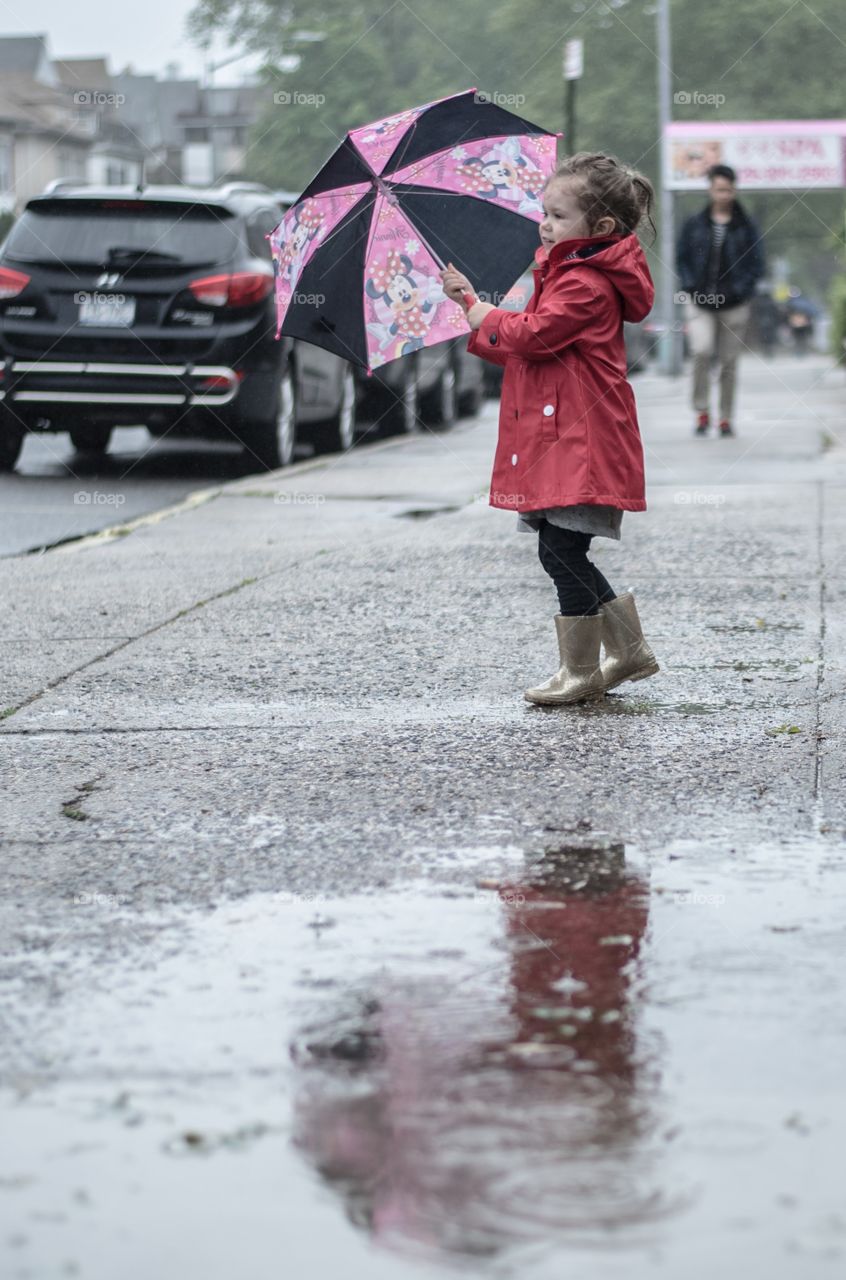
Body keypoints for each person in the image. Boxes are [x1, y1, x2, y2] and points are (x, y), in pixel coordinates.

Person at [440, 151, 659, 707]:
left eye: (559, 216)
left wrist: (486, 316)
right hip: (563, 439)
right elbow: (528, 350)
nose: (545, 224)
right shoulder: (565, 274)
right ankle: (626, 651)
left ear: (601, 227)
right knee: (560, 549)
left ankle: (582, 670)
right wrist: (472, 305)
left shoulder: (585, 282)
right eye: (545, 212)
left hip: (583, 441)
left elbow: (535, 335)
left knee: (561, 551)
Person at [676, 163, 765, 437]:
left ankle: (725, 417)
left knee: (729, 362)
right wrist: (690, 285)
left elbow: (757, 264)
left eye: (728, 190)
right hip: (700, 301)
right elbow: (682, 258)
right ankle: (702, 410)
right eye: (718, 189)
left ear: (734, 190)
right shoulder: (695, 224)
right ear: (710, 190)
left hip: (734, 304)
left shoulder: (746, 226)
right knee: (701, 351)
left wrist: (742, 290)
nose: (723, 195)